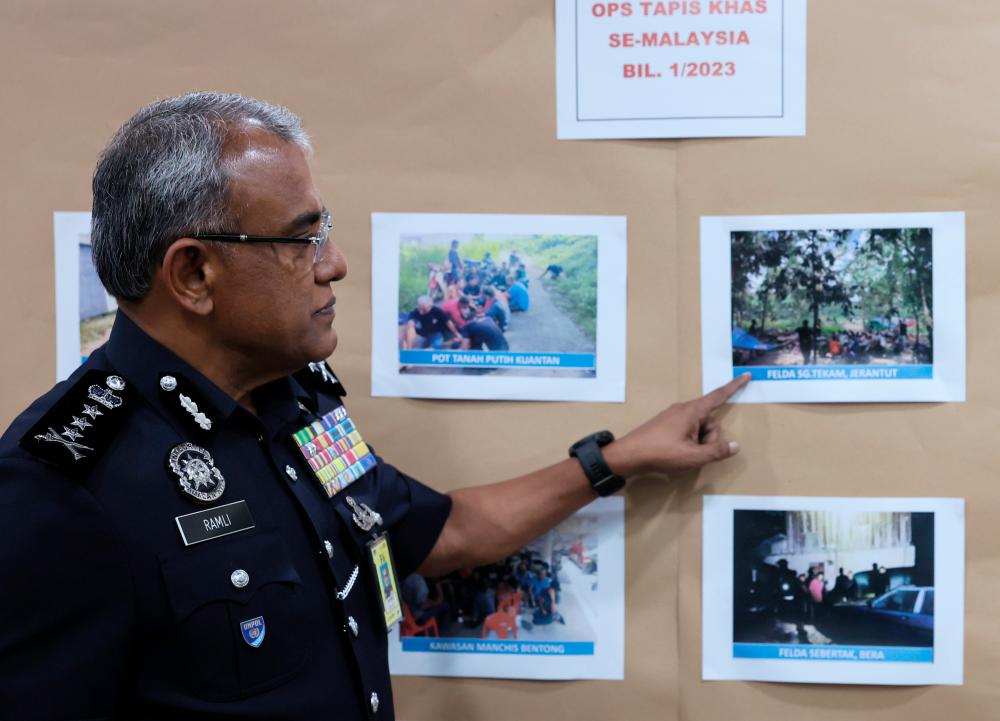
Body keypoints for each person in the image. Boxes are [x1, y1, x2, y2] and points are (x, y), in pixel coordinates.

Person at [0, 92, 749, 720]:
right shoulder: (61, 483)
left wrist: (620, 457)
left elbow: (440, 531)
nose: (334, 263)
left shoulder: (297, 408)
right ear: (194, 273)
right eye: (300, 240)